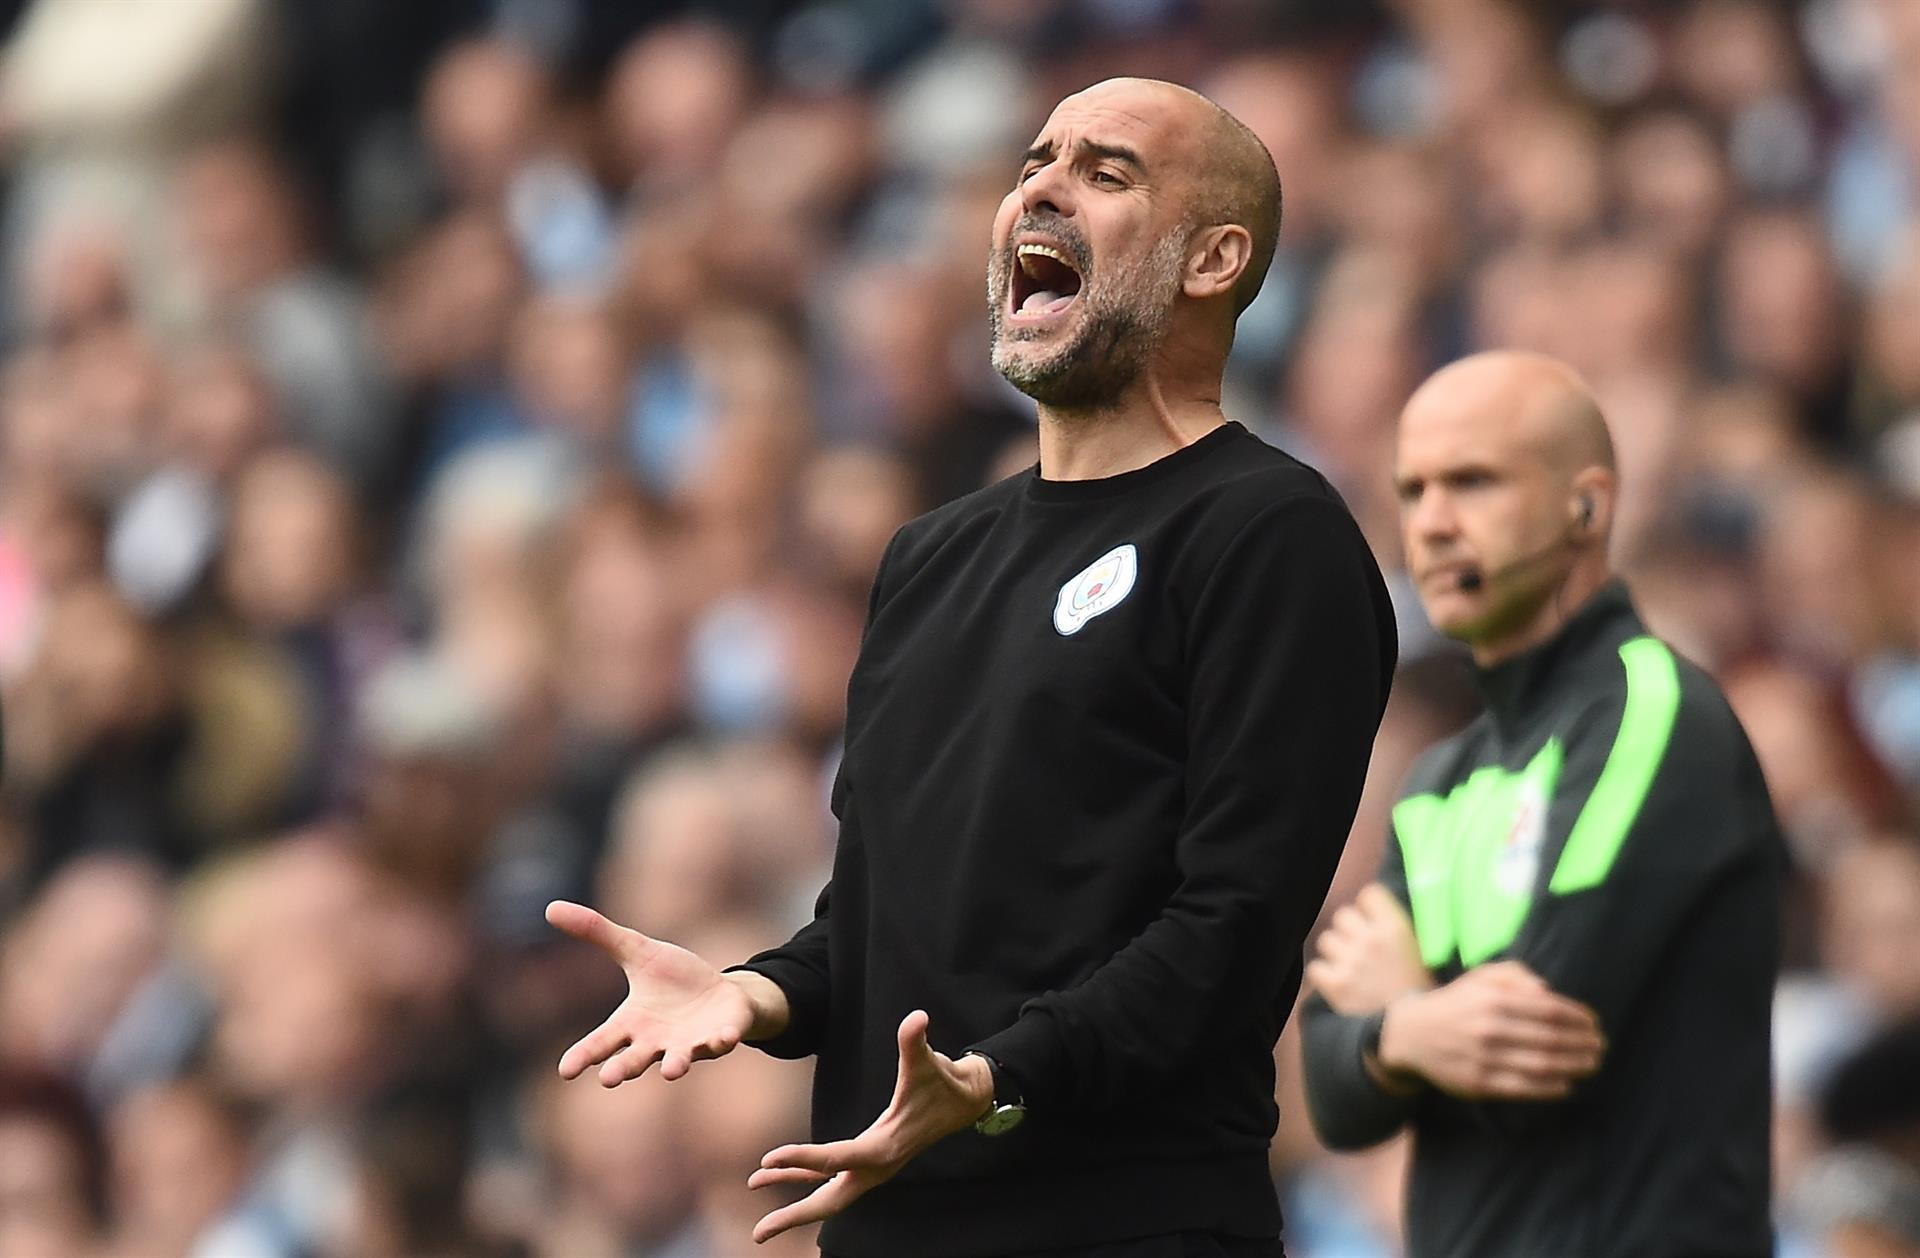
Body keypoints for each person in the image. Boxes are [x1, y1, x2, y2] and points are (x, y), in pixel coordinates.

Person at [545, 77, 1396, 1257]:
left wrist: (999, 1078)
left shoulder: (1268, 532)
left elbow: (1231, 933)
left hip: (1125, 1227)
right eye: (1033, 162)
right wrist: (758, 991)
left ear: (1214, 260)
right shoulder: (929, 557)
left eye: (1106, 173)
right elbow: (885, 913)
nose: (1039, 188)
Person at [1299, 350, 1781, 1258]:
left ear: (1587, 504)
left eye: (1472, 482)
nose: (1432, 524)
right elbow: (1332, 1092)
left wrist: (1394, 1013)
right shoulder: (1438, 781)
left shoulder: (1652, 712)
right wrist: (1417, 1032)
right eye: (1412, 491)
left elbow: (1539, 1042)